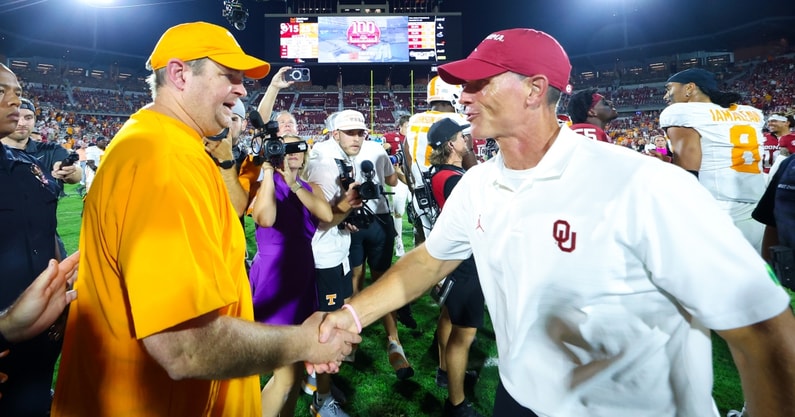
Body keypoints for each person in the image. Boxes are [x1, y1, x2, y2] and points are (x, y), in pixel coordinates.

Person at [317, 28, 795, 417]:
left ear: (535, 90)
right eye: (465, 85)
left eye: (481, 83)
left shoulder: (645, 185)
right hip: (519, 396)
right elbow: (427, 261)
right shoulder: (481, 183)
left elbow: (763, 329)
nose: (464, 96)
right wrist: (350, 316)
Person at [50, 21, 360, 417]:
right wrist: (302, 343)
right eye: (228, 76)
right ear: (179, 74)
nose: (242, 89)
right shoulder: (162, 160)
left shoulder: (173, 146)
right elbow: (184, 346)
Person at [0, 63, 79, 415]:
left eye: (17, 91)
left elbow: (43, 227)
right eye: (2, 91)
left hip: (42, 326)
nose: (15, 100)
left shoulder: (27, 163)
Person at [248, 133, 332, 417]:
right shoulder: (265, 185)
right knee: (284, 376)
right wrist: (270, 173)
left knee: (295, 374)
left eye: (298, 148)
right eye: (285, 148)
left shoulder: (309, 187)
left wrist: (295, 184)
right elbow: (266, 218)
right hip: (275, 278)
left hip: (303, 277)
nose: (292, 153)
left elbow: (326, 216)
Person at [660, 68, 767, 252]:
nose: (666, 96)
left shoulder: (681, 112)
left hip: (717, 215)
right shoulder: (752, 113)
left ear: (689, 88)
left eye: (669, 88)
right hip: (758, 214)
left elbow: (688, 173)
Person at [302, 109, 365, 417]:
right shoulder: (326, 164)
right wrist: (343, 214)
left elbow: (333, 215)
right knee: (327, 328)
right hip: (323, 257)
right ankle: (321, 398)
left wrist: (345, 220)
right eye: (350, 132)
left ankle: (316, 382)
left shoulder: (336, 156)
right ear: (335, 133)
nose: (357, 137)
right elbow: (324, 217)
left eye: (361, 132)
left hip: (334, 252)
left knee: (332, 320)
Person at [427, 117, 485, 417]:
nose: (468, 140)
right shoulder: (454, 178)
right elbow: (484, 209)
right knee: (464, 334)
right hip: (465, 260)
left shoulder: (444, 173)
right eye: (463, 137)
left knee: (449, 317)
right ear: (451, 144)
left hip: (453, 257)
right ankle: (456, 404)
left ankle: (444, 371)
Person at [1, 98, 83, 188]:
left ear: (34, 120)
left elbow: (76, 175)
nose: (22, 123)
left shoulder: (51, 149)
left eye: (28, 118)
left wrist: (69, 171)